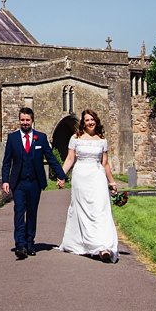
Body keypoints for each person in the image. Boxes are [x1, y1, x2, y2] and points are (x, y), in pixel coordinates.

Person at [1, 106, 66, 260]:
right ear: (19, 121)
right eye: (22, 120)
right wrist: (5, 180)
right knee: (19, 211)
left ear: (32, 121)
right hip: (18, 182)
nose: (25, 123)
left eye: (27, 120)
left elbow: (51, 158)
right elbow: (6, 162)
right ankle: (20, 244)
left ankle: (30, 243)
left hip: (35, 182)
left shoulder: (41, 138)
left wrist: (61, 175)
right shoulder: (13, 138)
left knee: (32, 212)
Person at [58, 108, 120, 263]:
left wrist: (112, 182)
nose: (90, 122)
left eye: (92, 119)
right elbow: (70, 159)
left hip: (97, 177)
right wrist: (62, 175)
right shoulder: (75, 138)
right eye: (87, 120)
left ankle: (103, 247)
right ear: (83, 123)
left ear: (96, 121)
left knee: (99, 210)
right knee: (83, 211)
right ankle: (86, 244)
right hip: (80, 178)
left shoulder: (101, 140)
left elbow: (104, 163)